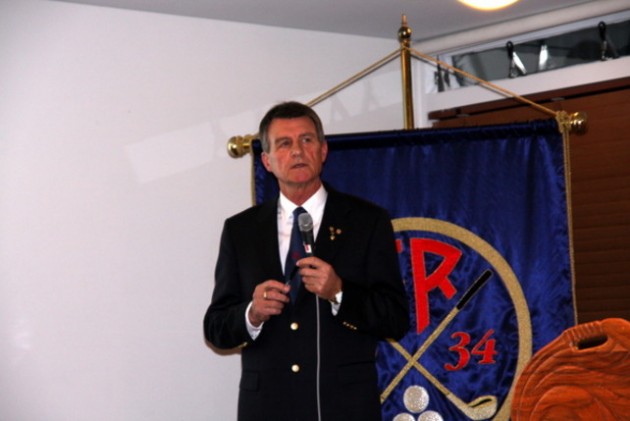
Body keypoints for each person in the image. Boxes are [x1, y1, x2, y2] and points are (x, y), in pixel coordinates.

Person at [204, 101, 409, 421]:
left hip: (344, 408)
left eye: (307, 140)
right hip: (268, 409)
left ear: (323, 151)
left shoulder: (366, 221)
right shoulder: (241, 230)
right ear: (267, 161)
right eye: (284, 144)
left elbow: (395, 319)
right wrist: (253, 313)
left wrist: (340, 293)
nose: (297, 151)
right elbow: (216, 328)